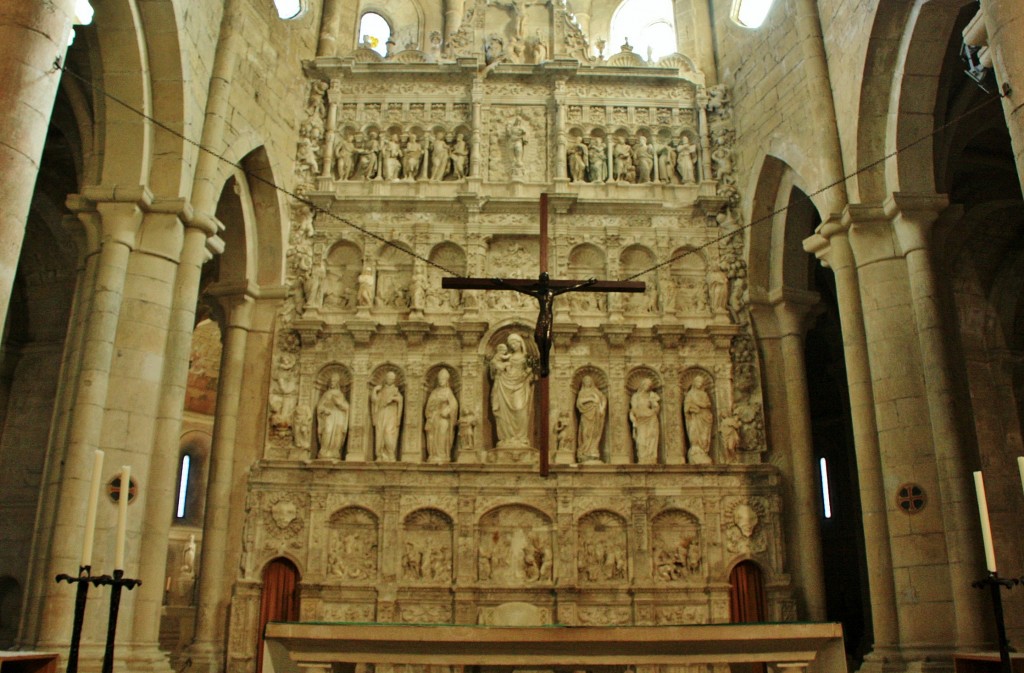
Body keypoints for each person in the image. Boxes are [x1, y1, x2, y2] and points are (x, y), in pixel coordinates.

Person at [490, 334, 533, 447]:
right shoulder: (507, 356)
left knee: (520, 409)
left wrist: (526, 374)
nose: (513, 346)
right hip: (504, 383)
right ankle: (507, 438)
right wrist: (497, 367)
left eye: (515, 343)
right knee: (504, 412)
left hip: (521, 384)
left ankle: (521, 438)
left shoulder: (526, 356)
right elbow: (494, 366)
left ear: (520, 343)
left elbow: (531, 370)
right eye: (511, 344)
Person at [424, 368, 459, 462]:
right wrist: (433, 409)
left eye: (443, 379)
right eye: (440, 379)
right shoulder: (434, 392)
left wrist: (448, 410)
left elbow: (454, 405)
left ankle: (443, 455)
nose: (441, 381)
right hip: (434, 417)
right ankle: (433, 454)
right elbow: (428, 406)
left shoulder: (448, 391)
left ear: (446, 380)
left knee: (442, 435)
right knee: (432, 436)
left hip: (444, 419)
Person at [371, 371, 403, 460]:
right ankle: (380, 455)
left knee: (388, 433)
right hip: (381, 413)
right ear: (386, 378)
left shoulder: (396, 390)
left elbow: (400, 400)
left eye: (392, 379)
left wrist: (393, 398)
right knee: (379, 434)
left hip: (391, 414)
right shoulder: (381, 389)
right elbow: (375, 401)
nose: (390, 380)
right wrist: (374, 391)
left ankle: (390, 454)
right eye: (389, 378)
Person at [317, 374, 349, 459]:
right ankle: (325, 450)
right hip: (329, 415)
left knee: (338, 433)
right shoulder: (326, 394)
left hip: (339, 416)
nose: (332, 383)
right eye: (331, 381)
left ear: (337, 383)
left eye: (334, 381)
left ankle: (335, 451)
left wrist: (339, 404)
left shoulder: (340, 394)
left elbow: (346, 407)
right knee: (327, 431)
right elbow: (319, 407)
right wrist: (324, 410)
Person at [575, 376, 606, 463]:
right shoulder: (582, 392)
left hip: (596, 414)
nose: (587, 382)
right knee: (585, 431)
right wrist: (591, 398)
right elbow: (579, 402)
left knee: (595, 432)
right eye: (586, 381)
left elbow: (603, 399)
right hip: (586, 414)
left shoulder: (596, 391)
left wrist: (602, 408)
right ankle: (585, 450)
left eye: (589, 380)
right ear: (583, 383)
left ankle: (593, 449)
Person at [629, 377, 660, 463]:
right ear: (642, 385)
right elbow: (634, 409)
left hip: (651, 418)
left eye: (649, 385)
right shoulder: (636, 396)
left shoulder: (652, 395)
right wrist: (636, 416)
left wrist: (654, 404)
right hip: (641, 419)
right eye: (646, 384)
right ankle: (642, 457)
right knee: (641, 438)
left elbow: (656, 409)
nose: (648, 386)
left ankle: (651, 457)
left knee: (651, 436)